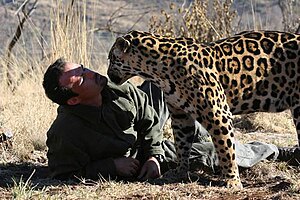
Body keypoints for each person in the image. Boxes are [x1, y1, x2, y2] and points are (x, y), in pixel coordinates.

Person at [43, 58, 299, 182]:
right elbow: (62, 173)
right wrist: (111, 165)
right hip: (134, 156)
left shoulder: (116, 88)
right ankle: (278, 153)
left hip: (147, 146)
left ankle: (196, 127)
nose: (92, 73)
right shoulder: (65, 133)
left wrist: (153, 154)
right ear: (73, 100)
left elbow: (149, 120)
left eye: (84, 68)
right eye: (82, 79)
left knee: (166, 86)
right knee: (207, 153)